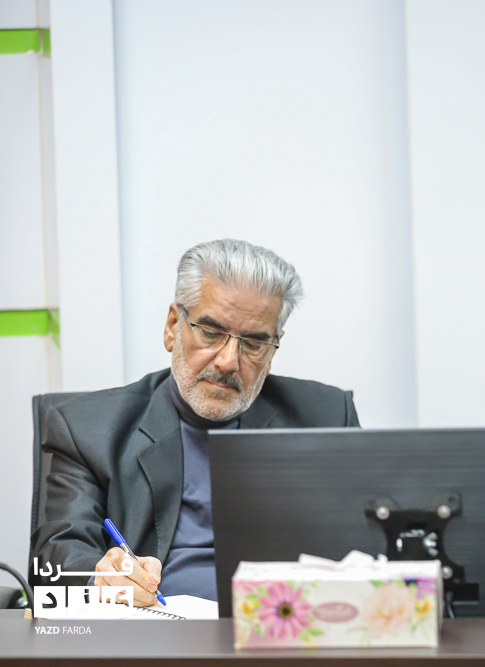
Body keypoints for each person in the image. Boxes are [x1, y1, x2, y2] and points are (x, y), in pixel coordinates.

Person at [30, 239, 360, 605]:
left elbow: (369, 546)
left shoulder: (327, 417)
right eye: (211, 332)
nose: (228, 361)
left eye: (253, 344)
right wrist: (101, 578)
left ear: (272, 349)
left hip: (282, 624)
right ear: (173, 326)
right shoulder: (89, 428)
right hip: (156, 629)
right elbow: (57, 554)